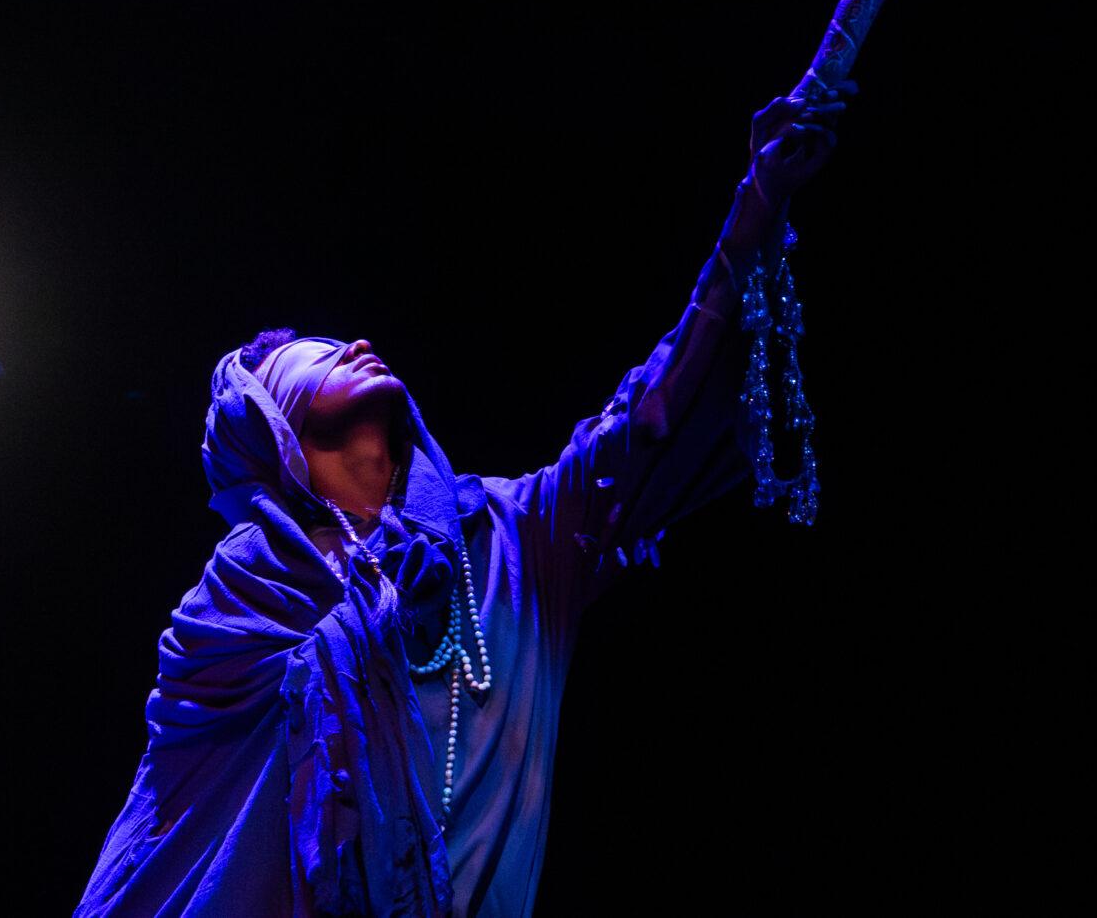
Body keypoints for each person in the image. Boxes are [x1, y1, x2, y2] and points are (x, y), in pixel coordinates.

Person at [73, 81, 853, 918]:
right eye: (321, 353)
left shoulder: (511, 538)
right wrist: (368, 624)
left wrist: (757, 201)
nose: (359, 342)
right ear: (272, 421)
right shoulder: (238, 603)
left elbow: (650, 419)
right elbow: (177, 838)